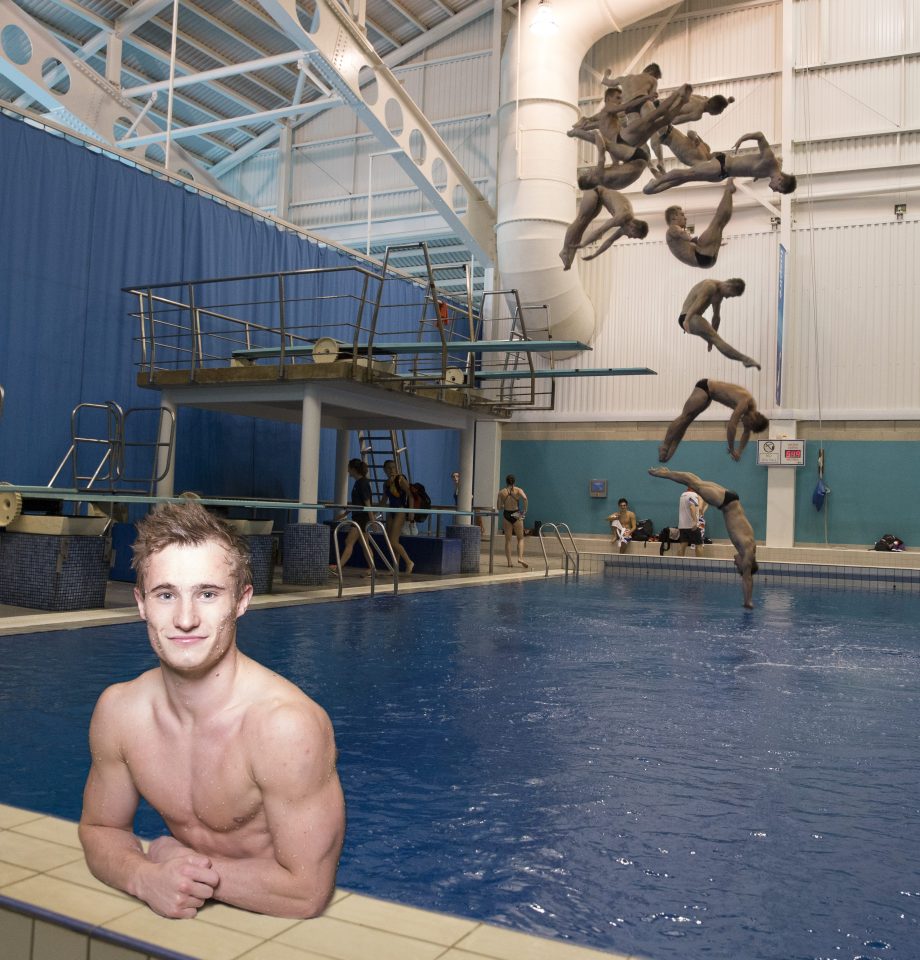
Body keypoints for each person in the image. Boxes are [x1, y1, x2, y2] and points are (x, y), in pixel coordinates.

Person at [78, 501, 346, 919]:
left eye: (207, 593)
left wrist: (180, 865)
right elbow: (99, 830)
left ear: (241, 601)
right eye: (166, 594)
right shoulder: (120, 711)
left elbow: (306, 890)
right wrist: (145, 877)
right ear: (141, 603)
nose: (185, 619)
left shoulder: (284, 727)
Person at [649, 467, 758, 608]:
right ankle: (662, 474)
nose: (735, 563)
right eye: (738, 566)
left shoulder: (750, 547)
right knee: (692, 482)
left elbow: (747, 574)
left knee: (694, 481)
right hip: (725, 503)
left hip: (729, 500)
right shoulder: (747, 550)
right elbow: (747, 578)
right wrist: (747, 601)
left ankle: (665, 472)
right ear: (745, 564)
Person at [643, 130, 797, 195]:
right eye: (779, 189)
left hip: (721, 175)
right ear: (780, 179)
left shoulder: (770, 172)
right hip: (721, 165)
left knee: (685, 179)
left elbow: (754, 169)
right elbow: (760, 136)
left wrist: (755, 175)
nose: (775, 191)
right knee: (687, 174)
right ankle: (657, 182)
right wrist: (742, 139)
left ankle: (656, 188)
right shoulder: (770, 162)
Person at [659, 379, 769, 462]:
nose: (744, 424)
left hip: (710, 396)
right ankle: (664, 446)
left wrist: (739, 452)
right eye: (747, 424)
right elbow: (731, 426)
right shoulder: (744, 403)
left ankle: (671, 450)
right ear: (753, 418)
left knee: (687, 422)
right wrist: (731, 448)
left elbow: (746, 433)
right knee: (685, 417)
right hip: (705, 387)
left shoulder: (751, 414)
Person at [677, 277, 761, 369]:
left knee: (716, 340)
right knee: (718, 340)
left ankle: (744, 360)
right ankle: (745, 359)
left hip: (691, 318)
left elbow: (716, 318)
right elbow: (697, 304)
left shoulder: (718, 294)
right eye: (730, 295)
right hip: (688, 316)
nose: (727, 297)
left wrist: (710, 341)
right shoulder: (710, 286)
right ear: (728, 286)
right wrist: (687, 320)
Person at [561, 186, 649, 269]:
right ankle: (564, 250)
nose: (630, 237)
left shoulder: (625, 226)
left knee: (583, 225)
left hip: (600, 199)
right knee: (580, 221)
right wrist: (584, 244)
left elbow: (609, 241)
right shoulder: (622, 216)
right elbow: (600, 231)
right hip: (595, 189)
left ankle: (570, 255)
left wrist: (594, 255)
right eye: (633, 236)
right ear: (633, 227)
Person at [665, 179, 736, 268]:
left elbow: (686, 242)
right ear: (673, 217)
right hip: (699, 255)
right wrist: (693, 240)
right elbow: (682, 233)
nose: (685, 218)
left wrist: (713, 242)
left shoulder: (675, 239)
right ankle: (728, 189)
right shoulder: (672, 229)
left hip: (706, 260)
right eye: (682, 215)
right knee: (718, 221)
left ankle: (729, 192)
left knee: (720, 224)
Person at [331, 458, 375, 573]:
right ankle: (372, 568)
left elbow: (367, 503)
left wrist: (372, 520)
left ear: (354, 469)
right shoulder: (358, 483)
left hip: (361, 518)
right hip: (358, 517)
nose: (347, 471)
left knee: (349, 541)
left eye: (349, 468)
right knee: (365, 544)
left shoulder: (363, 483)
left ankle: (338, 568)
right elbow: (357, 503)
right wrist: (344, 514)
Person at [381, 459, 414, 575]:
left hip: (400, 510)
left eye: (394, 467)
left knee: (393, 541)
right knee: (391, 542)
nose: (391, 470)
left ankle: (409, 562)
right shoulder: (386, 483)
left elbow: (410, 495)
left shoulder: (400, 479)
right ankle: (395, 566)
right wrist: (372, 513)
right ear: (384, 470)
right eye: (389, 468)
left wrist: (411, 512)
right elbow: (383, 501)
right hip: (391, 511)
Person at [497, 474, 529, 568]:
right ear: (514, 482)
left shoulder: (501, 492)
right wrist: (525, 510)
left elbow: (499, 507)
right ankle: (520, 558)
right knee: (520, 538)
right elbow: (525, 498)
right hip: (517, 513)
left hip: (507, 514)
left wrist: (504, 505)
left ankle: (509, 562)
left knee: (508, 540)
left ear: (506, 481)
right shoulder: (518, 490)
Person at [677, 484, 703, 557]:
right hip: (692, 526)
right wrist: (694, 521)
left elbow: (697, 508)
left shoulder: (682, 495)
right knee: (699, 545)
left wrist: (700, 500)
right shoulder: (693, 495)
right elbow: (692, 507)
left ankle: (679, 563)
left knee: (683, 545)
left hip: (682, 526)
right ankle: (699, 564)